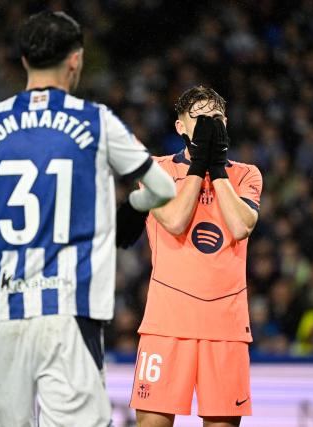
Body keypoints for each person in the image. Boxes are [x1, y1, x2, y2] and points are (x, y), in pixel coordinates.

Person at [0, 11, 175, 427]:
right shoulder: (97, 121)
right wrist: (133, 208)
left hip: (5, 316)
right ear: (76, 60)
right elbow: (164, 189)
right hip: (71, 313)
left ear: (24, 61)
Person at [118, 86, 262, 427]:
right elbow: (175, 220)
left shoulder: (247, 174)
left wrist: (218, 169)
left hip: (225, 327)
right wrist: (200, 165)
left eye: (216, 118)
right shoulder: (156, 169)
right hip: (167, 324)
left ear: (226, 123)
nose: (209, 125)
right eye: (199, 118)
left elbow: (242, 226)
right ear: (180, 127)